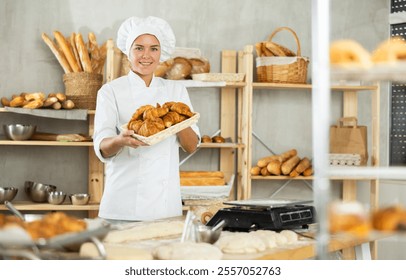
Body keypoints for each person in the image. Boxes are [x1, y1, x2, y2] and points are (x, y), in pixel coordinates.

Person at [93, 16, 200, 222]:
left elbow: (192, 146)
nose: (146, 56)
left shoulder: (175, 90)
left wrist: (177, 121)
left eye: (154, 48)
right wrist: (120, 140)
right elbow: (102, 147)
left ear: (162, 53)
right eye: (139, 48)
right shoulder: (111, 91)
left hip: (165, 205)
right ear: (128, 51)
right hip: (122, 203)